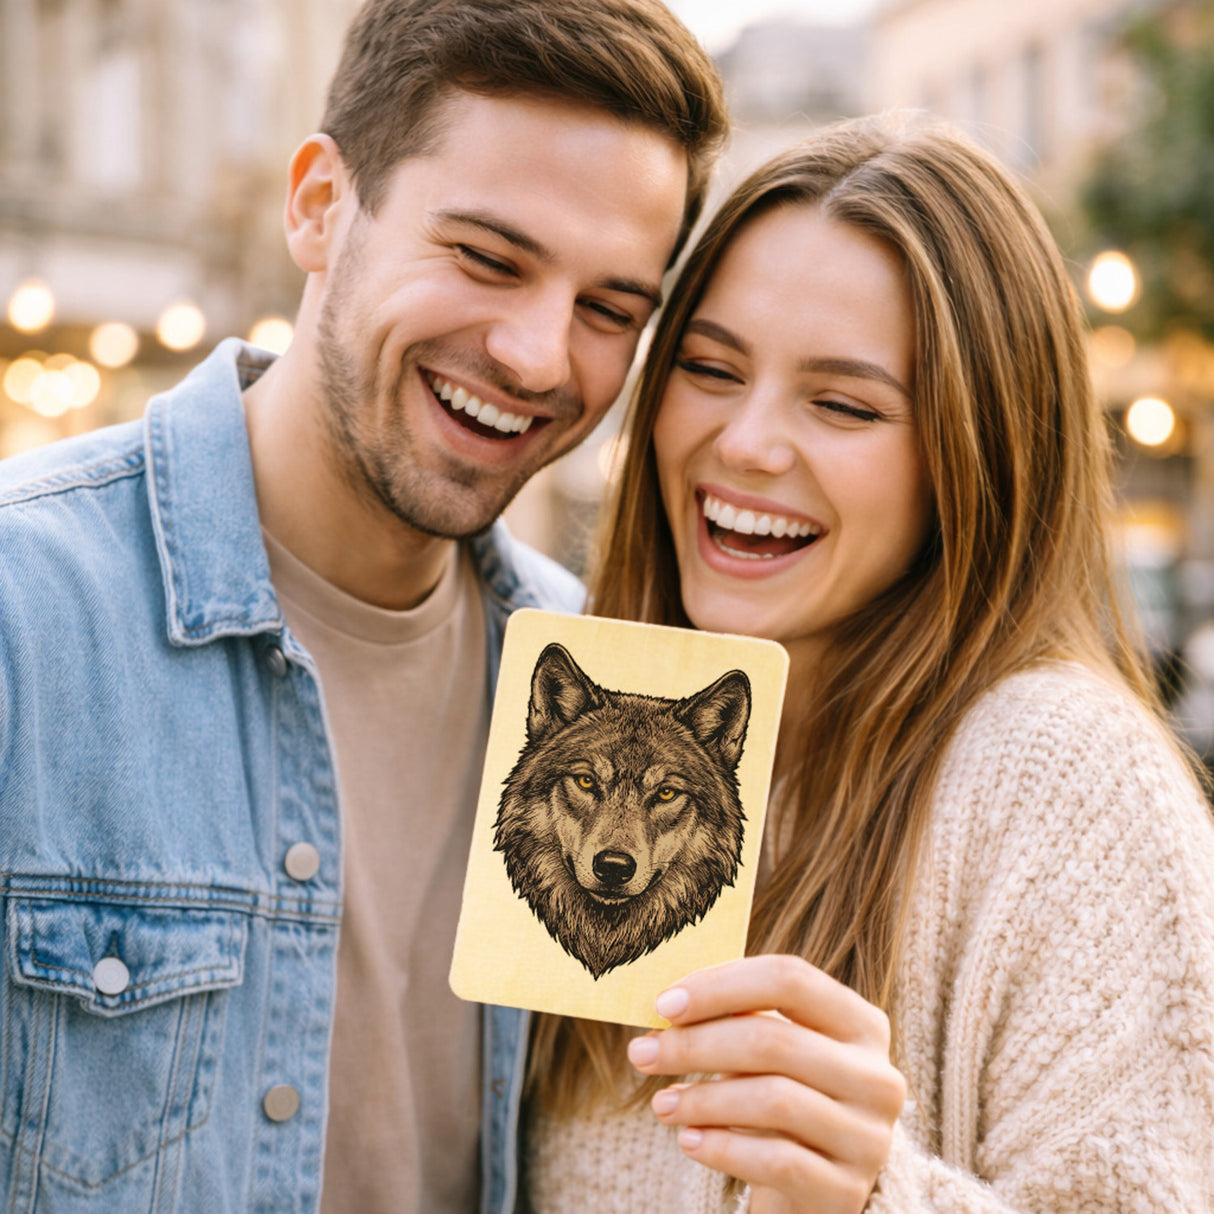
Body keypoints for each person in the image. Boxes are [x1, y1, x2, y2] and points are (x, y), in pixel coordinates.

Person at [0, 3, 727, 1212]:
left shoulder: (603, 689)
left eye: (609, 308)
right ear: (319, 207)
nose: (541, 355)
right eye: (487, 257)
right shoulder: (26, 611)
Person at [523, 114, 1214, 1213]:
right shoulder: (586, 719)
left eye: (841, 403)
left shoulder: (1065, 780)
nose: (745, 441)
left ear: (971, 452)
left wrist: (870, 1194)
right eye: (707, 367)